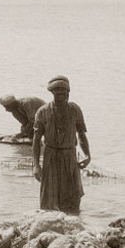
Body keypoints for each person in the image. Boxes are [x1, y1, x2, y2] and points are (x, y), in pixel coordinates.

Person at [32, 75, 91, 214]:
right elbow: (36, 140)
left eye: (64, 91)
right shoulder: (43, 112)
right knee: (49, 201)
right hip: (51, 156)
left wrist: (88, 155)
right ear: (52, 93)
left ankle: (73, 227)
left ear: (68, 92)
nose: (62, 94)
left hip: (70, 156)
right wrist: (36, 165)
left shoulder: (75, 109)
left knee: (73, 199)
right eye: (57, 91)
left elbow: (81, 134)